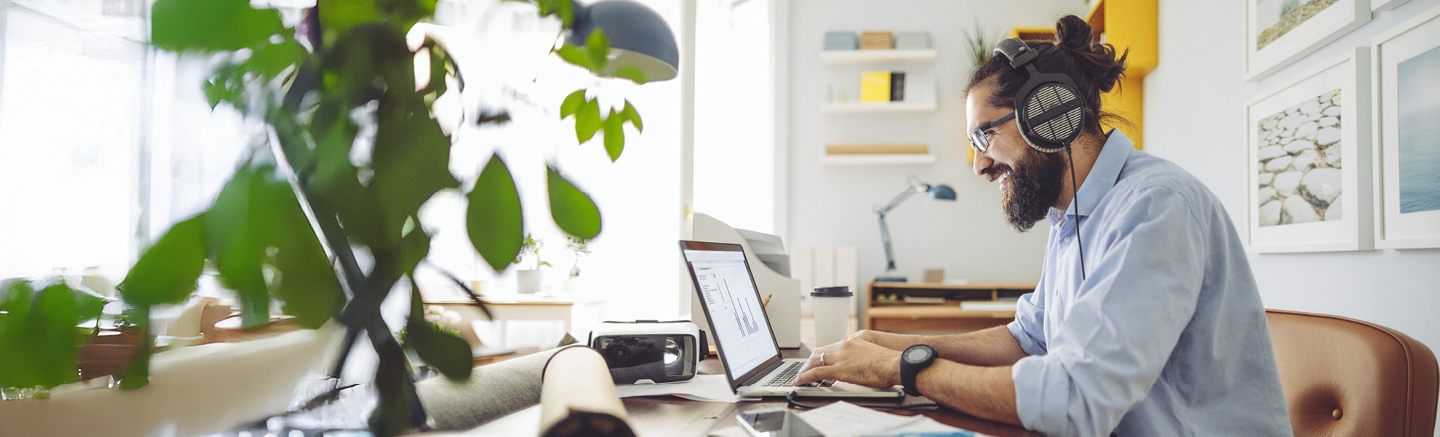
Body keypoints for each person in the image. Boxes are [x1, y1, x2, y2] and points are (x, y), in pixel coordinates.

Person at [794, 15, 1293, 436]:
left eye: (983, 135)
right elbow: (1030, 339)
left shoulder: (1155, 207)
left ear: (1047, 114)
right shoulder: (1072, 215)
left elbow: (1077, 400)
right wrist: (892, 343)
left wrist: (904, 369)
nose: (979, 165)